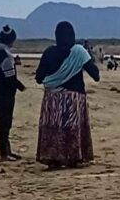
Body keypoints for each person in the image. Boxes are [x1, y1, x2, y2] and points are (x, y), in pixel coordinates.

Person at [35, 21, 99, 169]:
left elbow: (39, 78)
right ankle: (74, 158)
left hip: (52, 99)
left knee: (53, 128)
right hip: (73, 98)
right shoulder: (79, 52)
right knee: (72, 127)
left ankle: (53, 159)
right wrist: (85, 59)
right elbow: (95, 75)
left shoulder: (49, 52)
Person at [0, 25, 26, 161]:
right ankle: (4, 153)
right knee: (6, 122)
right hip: (5, 92)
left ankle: (7, 150)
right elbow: (9, 77)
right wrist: (20, 86)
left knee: (3, 121)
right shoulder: (5, 55)